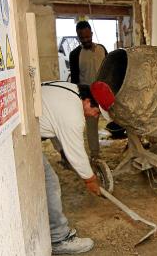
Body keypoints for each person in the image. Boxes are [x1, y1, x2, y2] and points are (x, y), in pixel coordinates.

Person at [40, 81, 114, 254]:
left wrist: (63, 154)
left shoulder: (70, 90)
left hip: (24, 126)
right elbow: (77, 152)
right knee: (50, 185)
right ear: (88, 102)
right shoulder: (73, 115)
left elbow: (53, 124)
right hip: (20, 135)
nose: (95, 117)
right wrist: (90, 180)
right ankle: (59, 239)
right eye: (96, 112)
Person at [69, 21, 108, 160]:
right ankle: (95, 155)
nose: (85, 40)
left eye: (87, 37)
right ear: (78, 37)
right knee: (91, 125)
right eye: (82, 38)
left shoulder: (102, 49)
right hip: (87, 93)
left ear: (91, 33)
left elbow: (108, 70)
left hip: (104, 91)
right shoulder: (75, 54)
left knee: (121, 115)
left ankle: (133, 145)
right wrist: (80, 99)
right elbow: (74, 80)